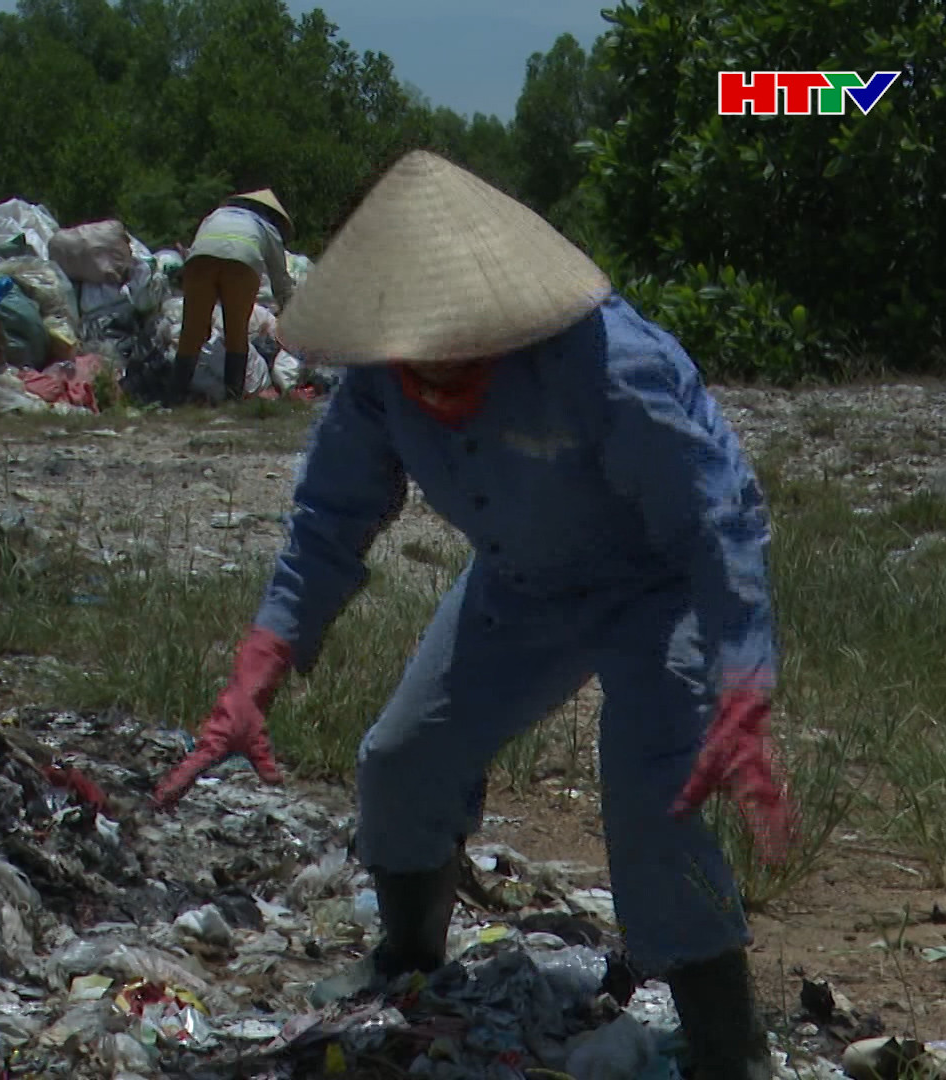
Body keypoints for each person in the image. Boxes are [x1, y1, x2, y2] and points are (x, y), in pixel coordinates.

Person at [150, 150, 793, 1080]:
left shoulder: (611, 364)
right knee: (402, 759)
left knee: (660, 796)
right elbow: (329, 517)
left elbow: (717, 520)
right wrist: (259, 668)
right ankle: (409, 960)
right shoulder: (380, 380)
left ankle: (731, 1047)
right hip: (520, 583)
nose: (432, 373)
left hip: (655, 589)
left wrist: (742, 686)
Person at [170, 188, 296, 403]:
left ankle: (175, 398)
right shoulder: (266, 227)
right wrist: (290, 310)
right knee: (236, 333)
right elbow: (280, 279)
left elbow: (197, 246)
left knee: (191, 333)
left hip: (200, 262)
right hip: (241, 263)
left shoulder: (214, 215)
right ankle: (232, 398)